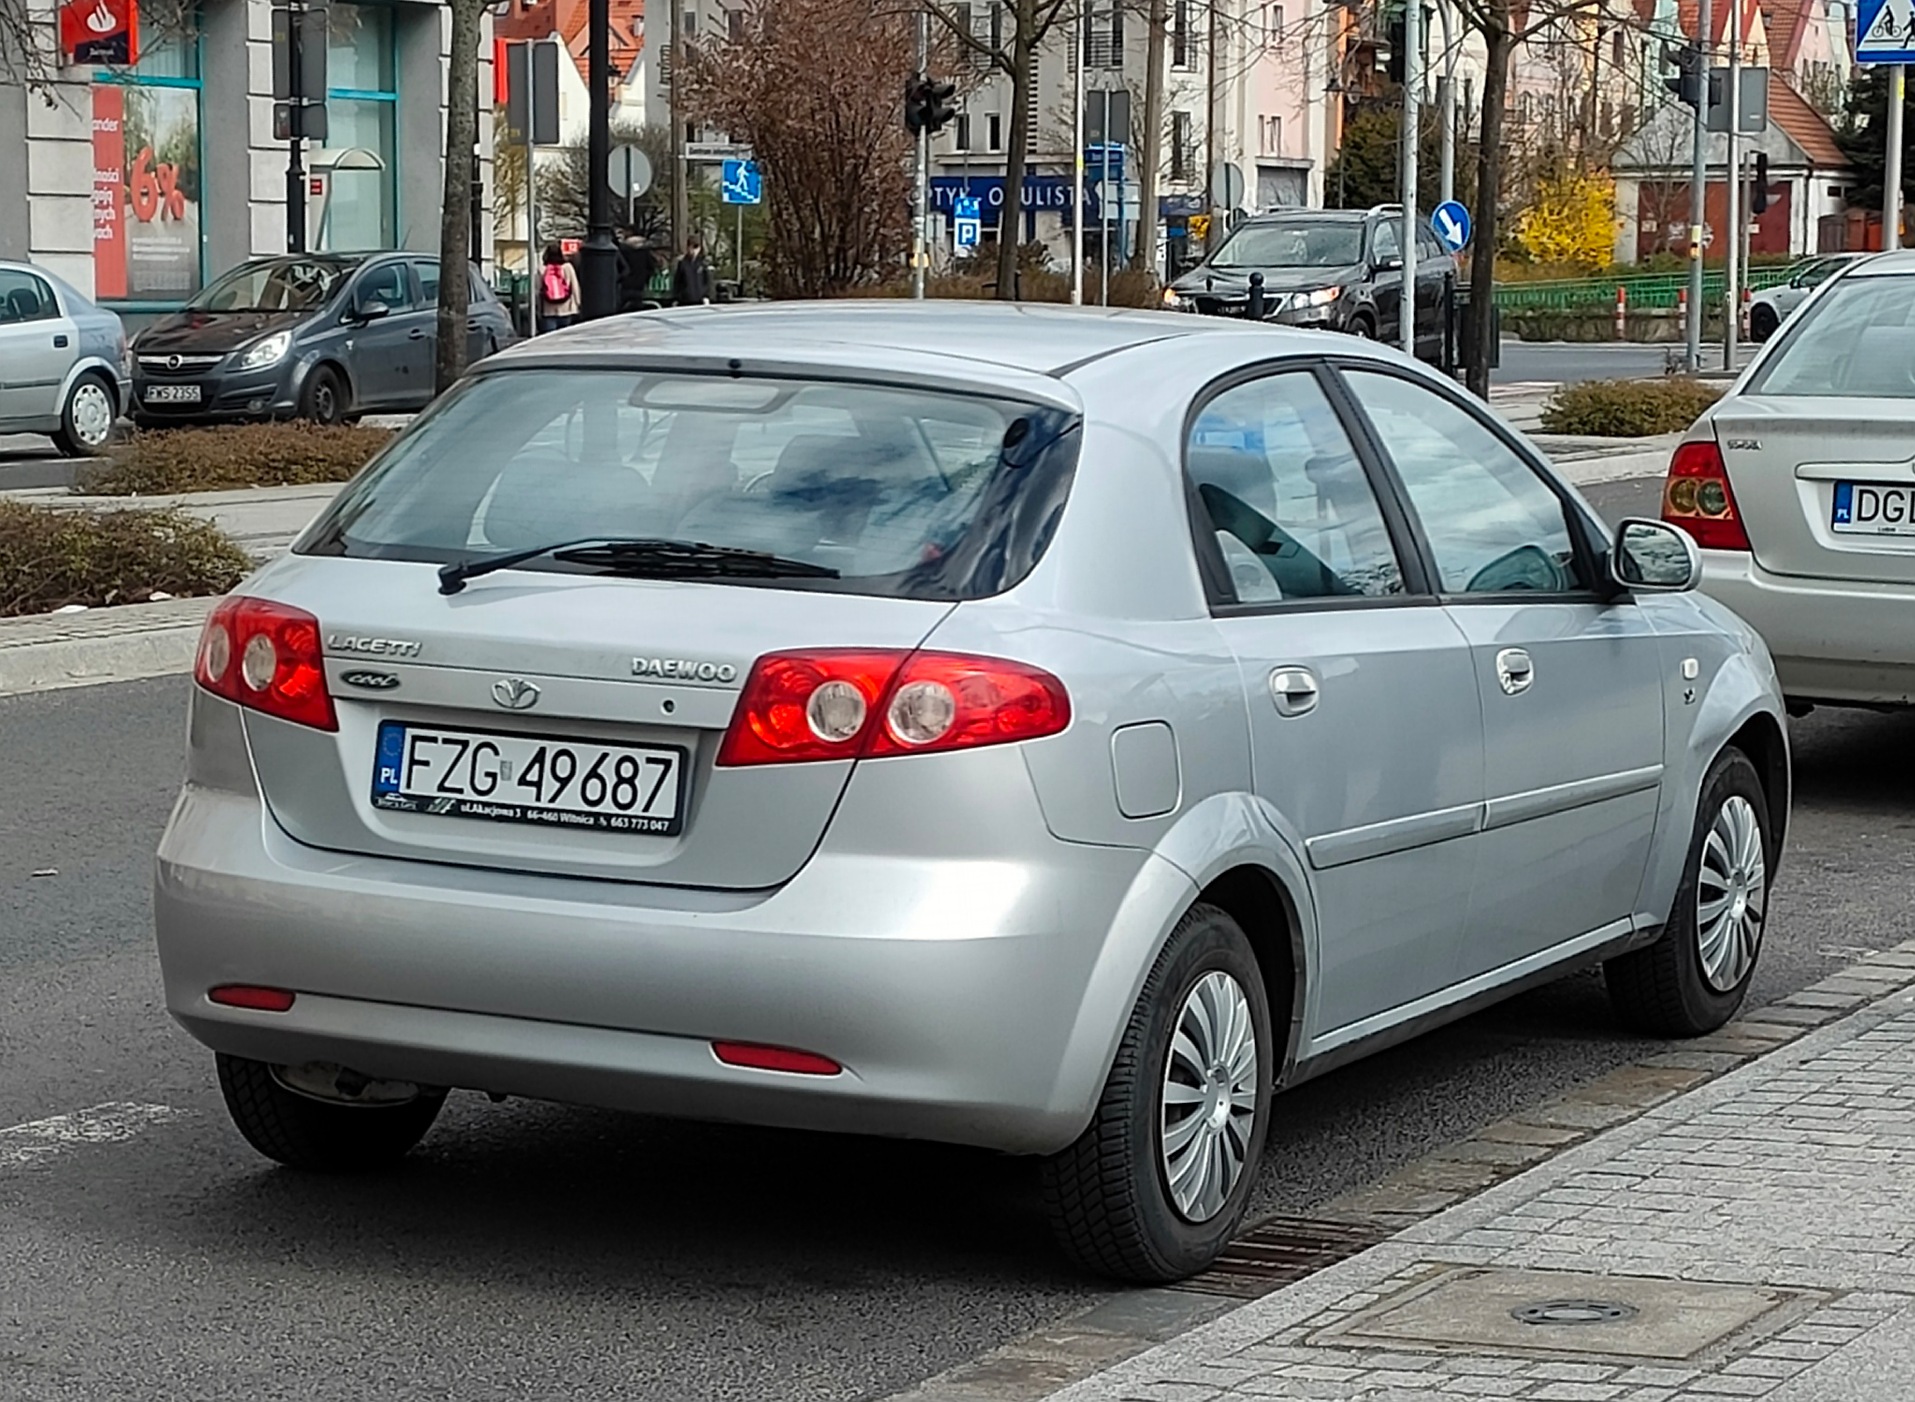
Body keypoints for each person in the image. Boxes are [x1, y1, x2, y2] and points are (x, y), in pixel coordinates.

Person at [536, 243, 580, 333]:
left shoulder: (542, 269)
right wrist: (577, 304)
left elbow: (537, 290)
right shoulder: (568, 268)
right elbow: (575, 287)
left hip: (548, 311)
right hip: (566, 310)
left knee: (549, 340)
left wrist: (538, 309)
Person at [616, 229, 659, 312]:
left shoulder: (623, 250)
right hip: (639, 287)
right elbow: (652, 267)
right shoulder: (644, 251)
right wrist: (645, 278)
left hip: (625, 286)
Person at [672, 235, 714, 308]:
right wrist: (676, 298)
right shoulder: (682, 263)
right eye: (692, 247)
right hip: (684, 301)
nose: (694, 250)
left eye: (696, 247)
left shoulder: (703, 263)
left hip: (700, 301)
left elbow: (708, 281)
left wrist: (707, 296)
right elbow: (677, 282)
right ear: (688, 247)